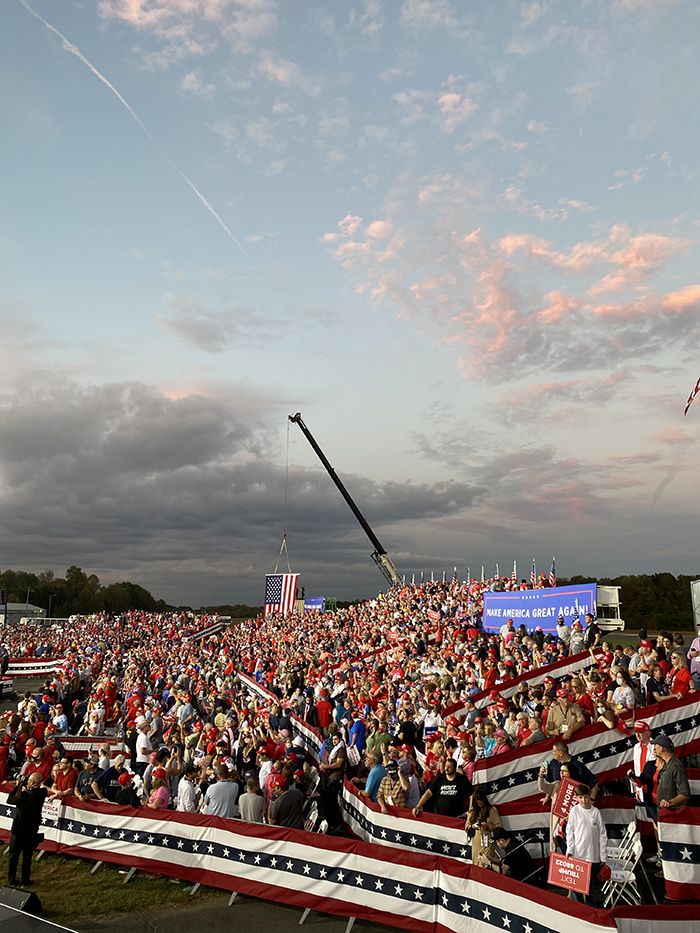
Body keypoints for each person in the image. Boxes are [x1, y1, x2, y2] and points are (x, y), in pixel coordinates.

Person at [566, 784, 608, 906]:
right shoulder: (574, 811)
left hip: (593, 855)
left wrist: (602, 856)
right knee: (577, 886)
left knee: (590, 887)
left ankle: (590, 908)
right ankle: (579, 907)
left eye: (585, 797)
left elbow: (602, 834)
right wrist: (570, 849)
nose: (583, 800)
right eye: (580, 798)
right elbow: (570, 831)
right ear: (576, 798)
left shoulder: (596, 812)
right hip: (578, 854)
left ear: (589, 797)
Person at [7, 771, 48, 886]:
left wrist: (17, 786)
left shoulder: (24, 795)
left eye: (29, 780)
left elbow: (10, 800)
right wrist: (28, 788)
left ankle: (12, 878)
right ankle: (26, 879)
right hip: (31, 829)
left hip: (19, 829)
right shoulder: (42, 793)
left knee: (14, 855)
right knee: (27, 856)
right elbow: (40, 790)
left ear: (32, 782)